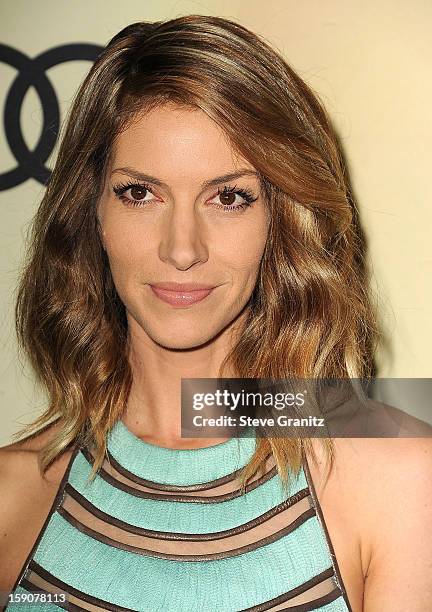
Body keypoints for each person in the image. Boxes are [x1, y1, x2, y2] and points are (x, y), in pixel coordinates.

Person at [0, 14, 431, 612]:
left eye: (228, 197)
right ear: (92, 209)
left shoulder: (401, 476)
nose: (182, 249)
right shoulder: (11, 494)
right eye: (139, 193)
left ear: (281, 218)